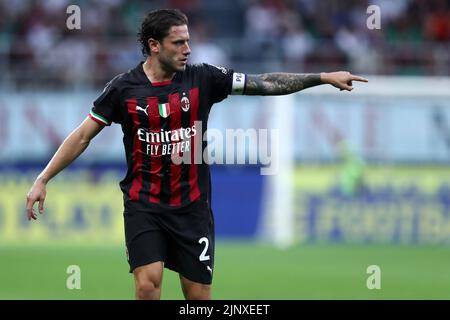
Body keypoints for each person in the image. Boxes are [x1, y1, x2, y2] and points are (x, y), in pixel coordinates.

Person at [25, 9, 368, 300]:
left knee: (198, 298)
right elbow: (83, 135)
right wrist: (43, 178)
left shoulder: (204, 78)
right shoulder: (123, 89)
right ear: (154, 46)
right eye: (179, 42)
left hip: (192, 209)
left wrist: (322, 77)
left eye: (188, 41)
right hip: (144, 205)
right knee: (148, 287)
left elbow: (264, 82)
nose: (188, 48)